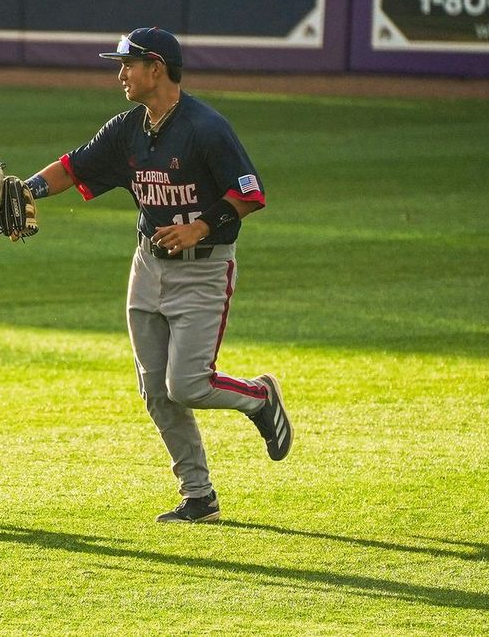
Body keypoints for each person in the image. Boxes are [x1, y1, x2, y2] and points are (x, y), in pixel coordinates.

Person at [19, 27, 292, 523]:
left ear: (157, 67)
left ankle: (259, 397)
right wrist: (25, 191)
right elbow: (73, 167)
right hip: (146, 267)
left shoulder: (206, 127)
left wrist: (202, 227)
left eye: (128, 64)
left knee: (188, 384)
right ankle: (199, 496)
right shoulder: (127, 128)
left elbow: (250, 194)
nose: (120, 74)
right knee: (156, 391)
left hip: (203, 272)